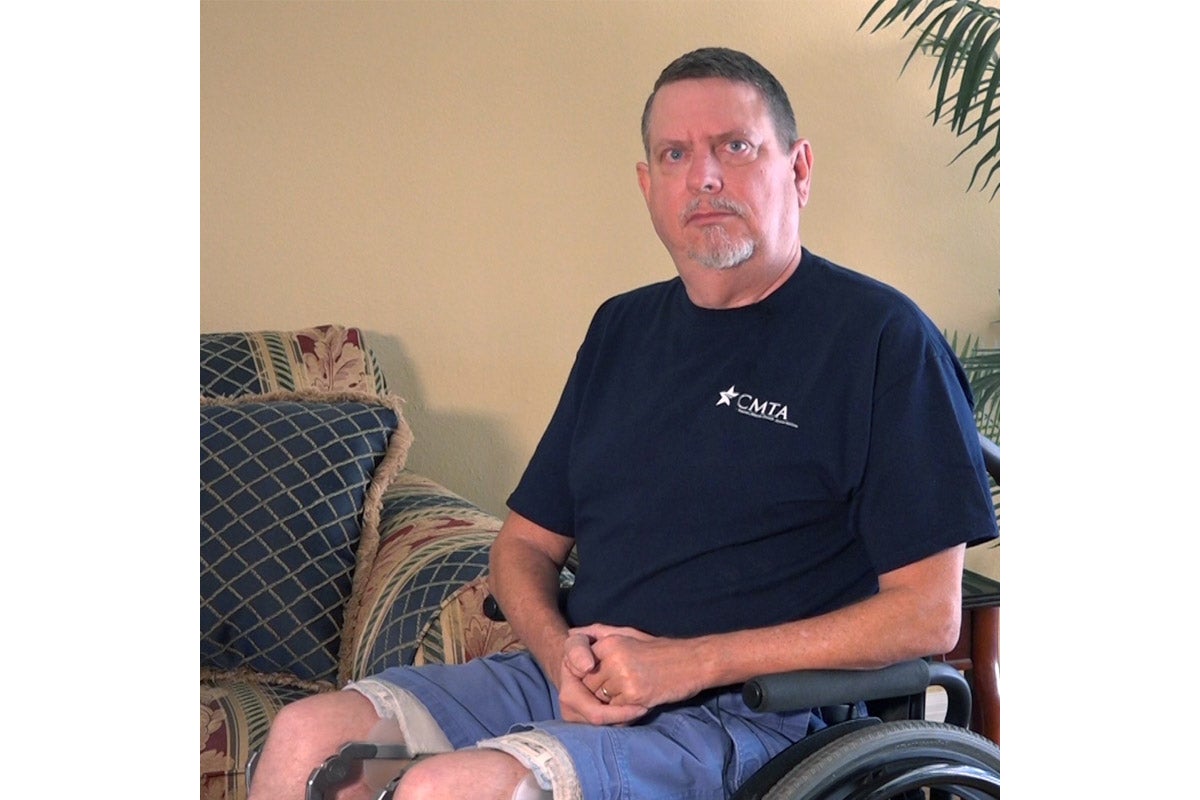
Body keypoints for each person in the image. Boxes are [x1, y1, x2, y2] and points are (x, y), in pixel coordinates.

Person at [247, 46, 999, 800]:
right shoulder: (623, 330)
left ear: (798, 169)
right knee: (313, 743)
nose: (703, 175)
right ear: (649, 185)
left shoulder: (881, 341)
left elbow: (926, 618)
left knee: (447, 789)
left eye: (734, 147)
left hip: (756, 720)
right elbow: (524, 546)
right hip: (570, 690)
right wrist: (557, 656)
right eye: (676, 154)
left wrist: (690, 663)